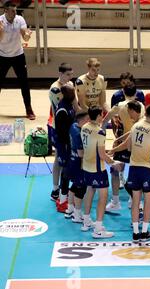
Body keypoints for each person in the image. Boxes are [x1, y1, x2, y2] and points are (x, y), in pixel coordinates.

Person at [112, 105, 150, 242]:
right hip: (147, 169)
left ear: (145, 113)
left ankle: (135, 233)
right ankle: (145, 232)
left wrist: (113, 150)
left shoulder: (135, 126)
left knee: (135, 201)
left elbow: (127, 145)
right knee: (148, 201)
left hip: (134, 168)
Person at [102, 88, 144, 212]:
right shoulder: (141, 105)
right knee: (136, 172)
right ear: (135, 94)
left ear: (124, 93)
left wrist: (102, 133)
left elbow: (105, 120)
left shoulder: (119, 105)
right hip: (137, 144)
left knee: (115, 171)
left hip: (123, 144)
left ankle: (115, 202)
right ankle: (135, 201)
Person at [81, 107, 118, 238]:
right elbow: (102, 154)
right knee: (103, 197)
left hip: (86, 165)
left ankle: (86, 221)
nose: (103, 117)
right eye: (101, 115)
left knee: (89, 191)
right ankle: (98, 229)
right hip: (97, 169)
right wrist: (113, 163)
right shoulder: (100, 132)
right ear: (97, 116)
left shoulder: (84, 126)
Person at [0, 1, 35, 119]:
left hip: (18, 55)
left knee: (24, 83)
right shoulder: (0, 21)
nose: (15, 13)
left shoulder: (19, 19)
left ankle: (29, 109)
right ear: (5, 11)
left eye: (15, 10)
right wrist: (1, 31)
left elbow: (24, 36)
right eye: (12, 11)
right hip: (2, 56)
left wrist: (27, 36)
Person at [48, 63, 77, 202]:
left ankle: (64, 188)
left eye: (71, 74)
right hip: (59, 128)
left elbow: (75, 106)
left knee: (67, 158)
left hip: (70, 127)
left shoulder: (69, 85)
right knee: (59, 159)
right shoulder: (55, 89)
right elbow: (61, 109)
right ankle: (55, 189)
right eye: (67, 75)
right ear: (60, 73)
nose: (70, 77)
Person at [54, 83, 77, 213]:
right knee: (66, 172)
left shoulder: (69, 105)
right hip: (65, 145)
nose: (72, 95)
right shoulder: (62, 109)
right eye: (70, 93)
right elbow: (62, 133)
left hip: (69, 144)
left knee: (67, 171)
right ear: (63, 94)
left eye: (72, 92)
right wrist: (71, 144)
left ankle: (64, 196)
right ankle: (62, 201)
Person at [65, 111, 89, 223]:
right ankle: (77, 215)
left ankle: (69, 209)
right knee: (81, 188)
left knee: (74, 185)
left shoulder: (73, 126)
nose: (89, 122)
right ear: (83, 121)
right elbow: (81, 154)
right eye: (88, 120)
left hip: (71, 161)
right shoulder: (79, 134)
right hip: (79, 165)